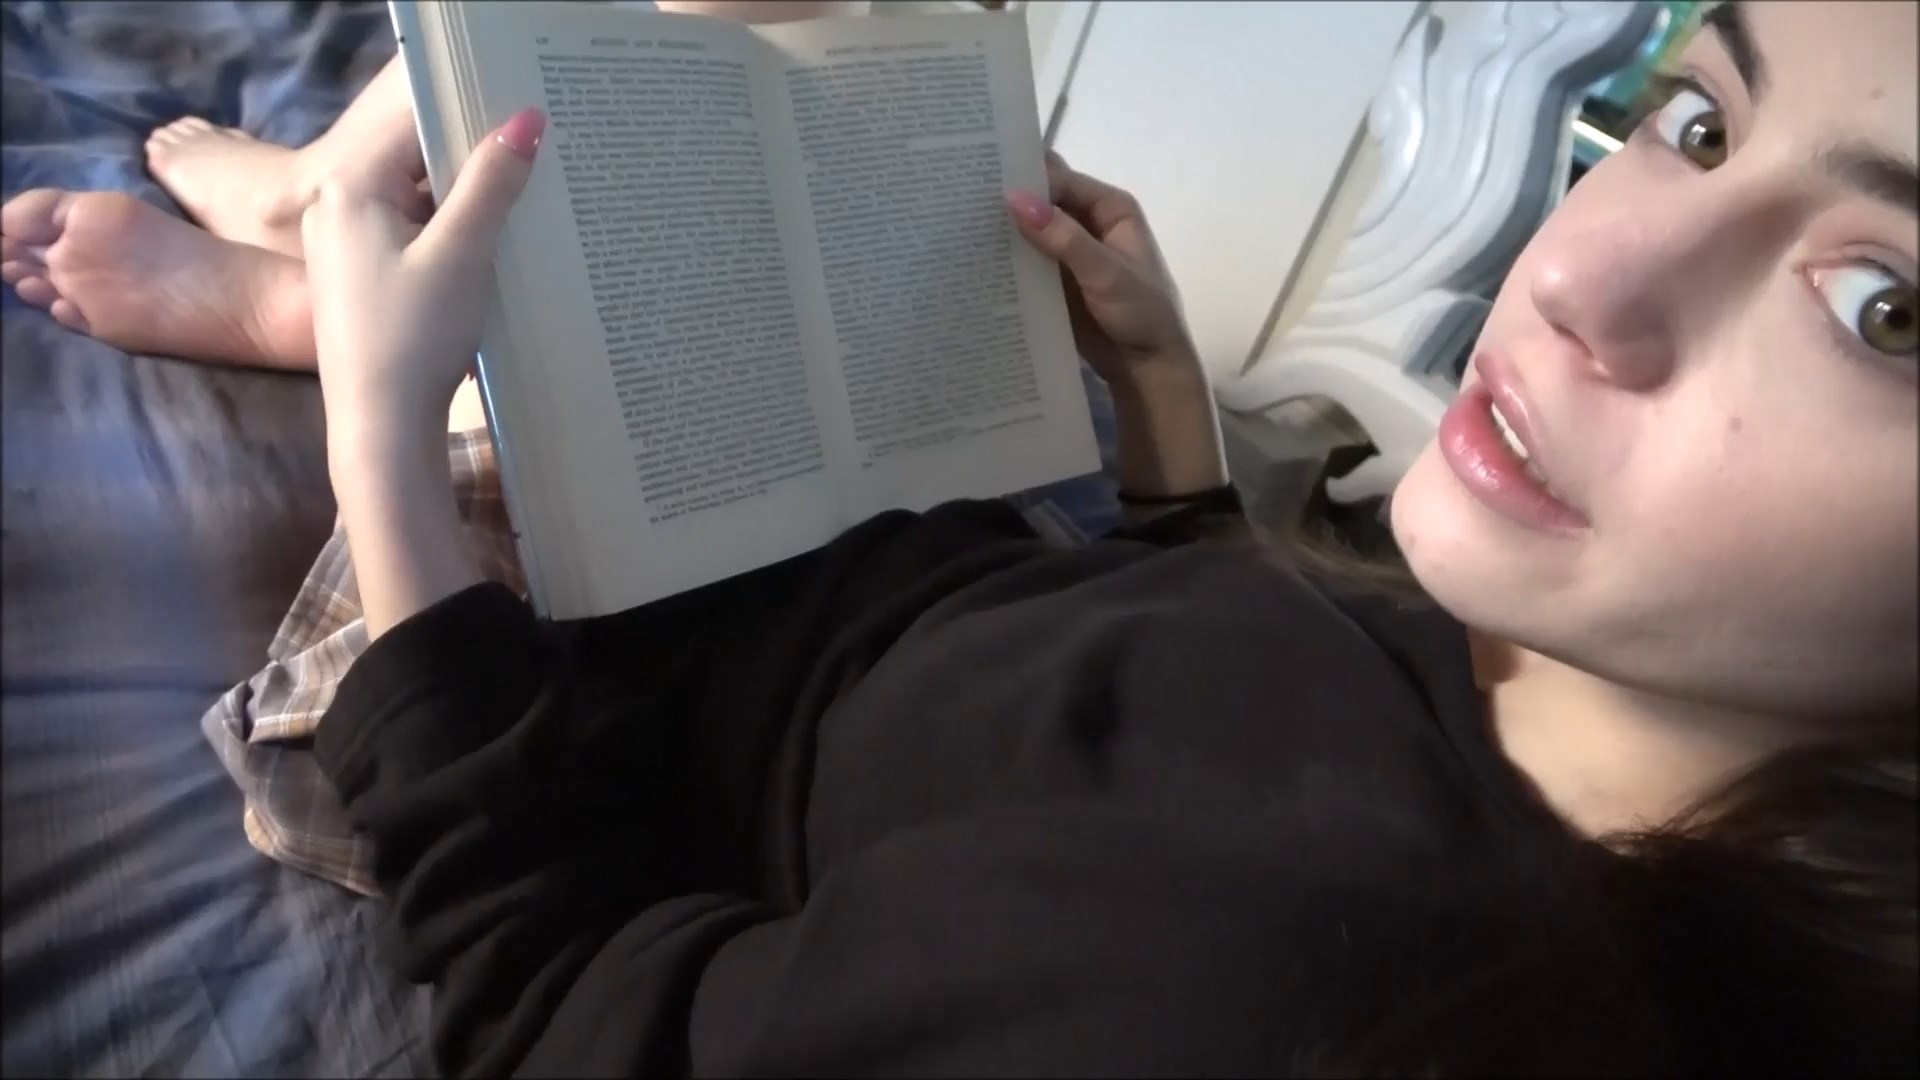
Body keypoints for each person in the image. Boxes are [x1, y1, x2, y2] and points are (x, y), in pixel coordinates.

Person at [10, 1, 1920, 1075]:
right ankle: (342, 226)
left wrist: (381, 445)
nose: (1581, 281)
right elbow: (1236, 696)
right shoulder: (1553, 680)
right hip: (906, 560)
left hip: (595, 649)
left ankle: (319, 286)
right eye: (1698, 123)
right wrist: (1164, 400)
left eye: (1885, 309)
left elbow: (568, 1010)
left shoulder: (1280, 986)